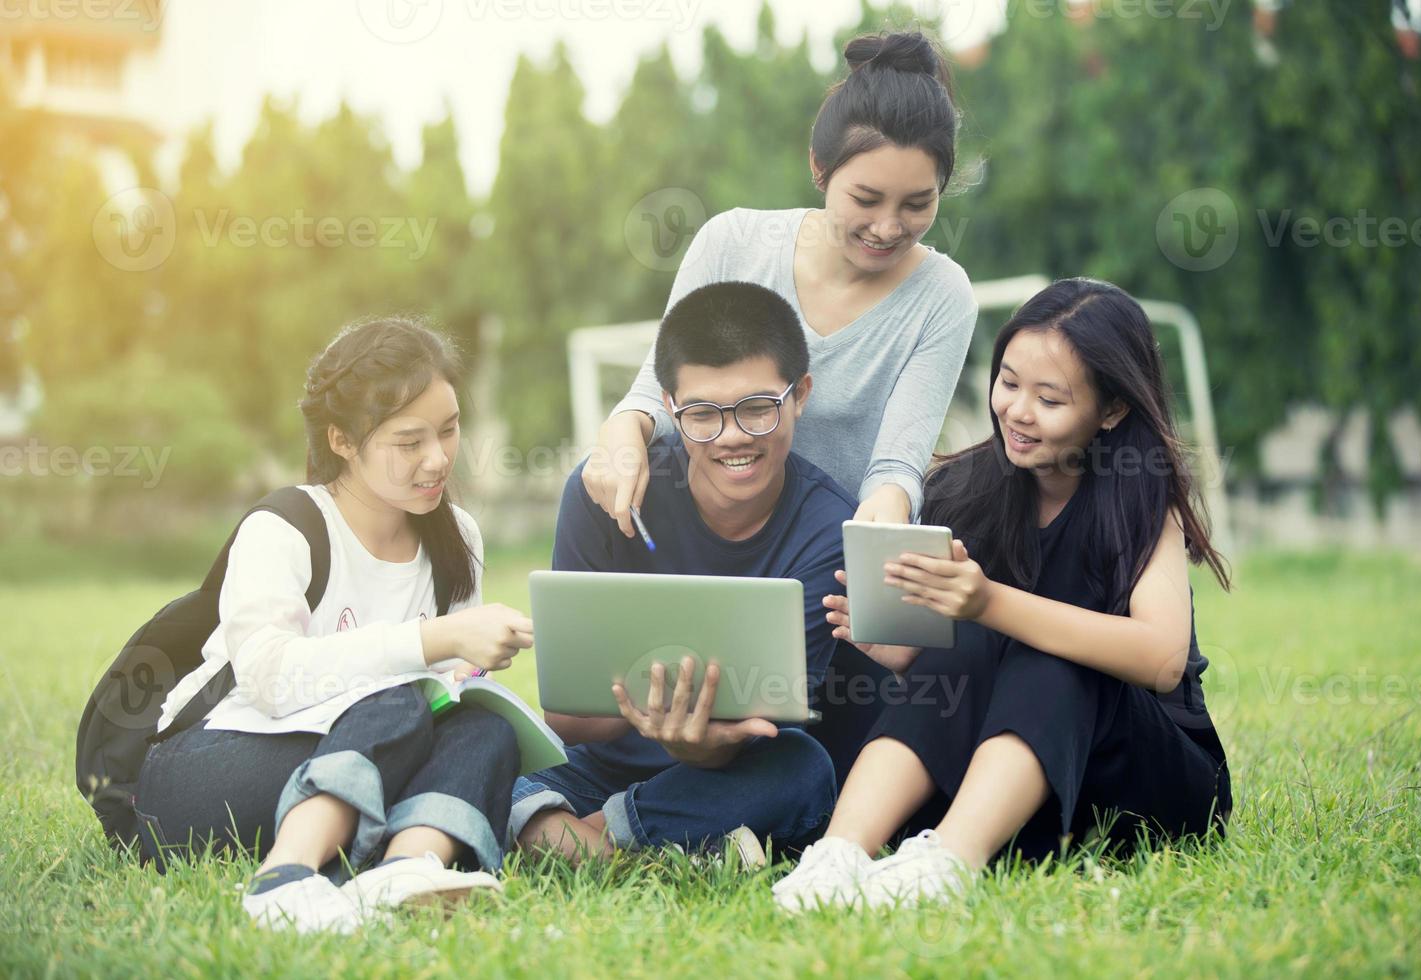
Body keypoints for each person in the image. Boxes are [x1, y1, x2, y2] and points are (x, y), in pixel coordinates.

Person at [772, 278, 1235, 912]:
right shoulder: (965, 489)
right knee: (970, 637)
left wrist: (988, 603)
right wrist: (901, 648)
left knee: (1048, 649)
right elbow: (964, 657)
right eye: (1009, 382)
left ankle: (949, 867)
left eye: (1049, 398)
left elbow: (1161, 660)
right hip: (1008, 790)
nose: (1016, 410)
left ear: (1112, 410)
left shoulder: (1142, 500)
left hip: (1140, 781)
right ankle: (839, 855)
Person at [134, 318, 535, 933]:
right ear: (343, 441)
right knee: (394, 701)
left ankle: (403, 872)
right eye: (409, 442)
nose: (438, 458)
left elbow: (445, 686)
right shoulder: (284, 527)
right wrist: (433, 642)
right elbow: (268, 680)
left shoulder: (458, 538)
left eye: (450, 430)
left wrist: (468, 665)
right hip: (203, 777)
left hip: (358, 760)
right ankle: (283, 878)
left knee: (483, 729)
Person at [510, 282, 878, 864]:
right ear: (668, 406)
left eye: (758, 408)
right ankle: (667, 849)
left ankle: (587, 843)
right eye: (702, 414)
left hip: (729, 774)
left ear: (800, 395)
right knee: (499, 762)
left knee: (805, 771)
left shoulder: (829, 528)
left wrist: (698, 748)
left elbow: (764, 725)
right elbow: (568, 721)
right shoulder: (605, 491)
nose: (732, 436)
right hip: (599, 770)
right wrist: (645, 715)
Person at [586, 30, 979, 532]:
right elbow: (658, 394)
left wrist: (887, 511)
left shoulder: (941, 296)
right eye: (865, 199)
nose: (887, 227)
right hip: (706, 533)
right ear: (819, 167)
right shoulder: (733, 242)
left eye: (917, 204)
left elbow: (894, 470)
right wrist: (622, 429)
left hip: (823, 551)